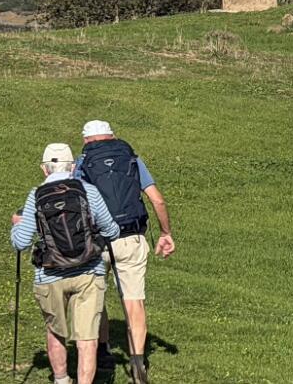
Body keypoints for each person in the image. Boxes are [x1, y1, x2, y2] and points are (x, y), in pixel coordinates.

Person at [12, 143, 121, 384]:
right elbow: (112, 230)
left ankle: (61, 380)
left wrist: (16, 224)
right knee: (87, 338)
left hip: (50, 275)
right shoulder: (88, 191)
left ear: (45, 169)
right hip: (88, 272)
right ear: (73, 167)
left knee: (56, 331)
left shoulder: (36, 195)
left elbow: (20, 243)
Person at [75, 120, 173, 384]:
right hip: (131, 237)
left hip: (97, 240)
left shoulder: (83, 162)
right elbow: (157, 198)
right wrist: (166, 233)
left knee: (97, 295)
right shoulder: (130, 157)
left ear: (86, 140)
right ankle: (138, 361)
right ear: (113, 136)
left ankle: (103, 350)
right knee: (134, 300)